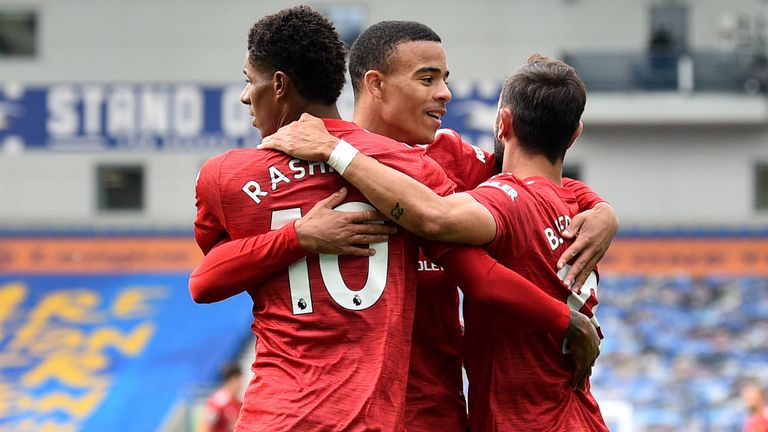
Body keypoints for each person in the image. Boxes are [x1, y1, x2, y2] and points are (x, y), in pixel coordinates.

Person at [192, 19, 616, 431]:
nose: (446, 94)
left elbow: (530, 182)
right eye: (428, 79)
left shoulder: (451, 158)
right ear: (375, 84)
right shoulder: (416, 168)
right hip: (356, 404)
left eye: (445, 78)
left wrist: (598, 209)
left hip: (430, 407)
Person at [199, 363, 243, 432]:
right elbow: (206, 427)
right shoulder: (217, 402)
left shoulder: (241, 401)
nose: (240, 383)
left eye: (240, 378)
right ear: (228, 381)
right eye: (236, 379)